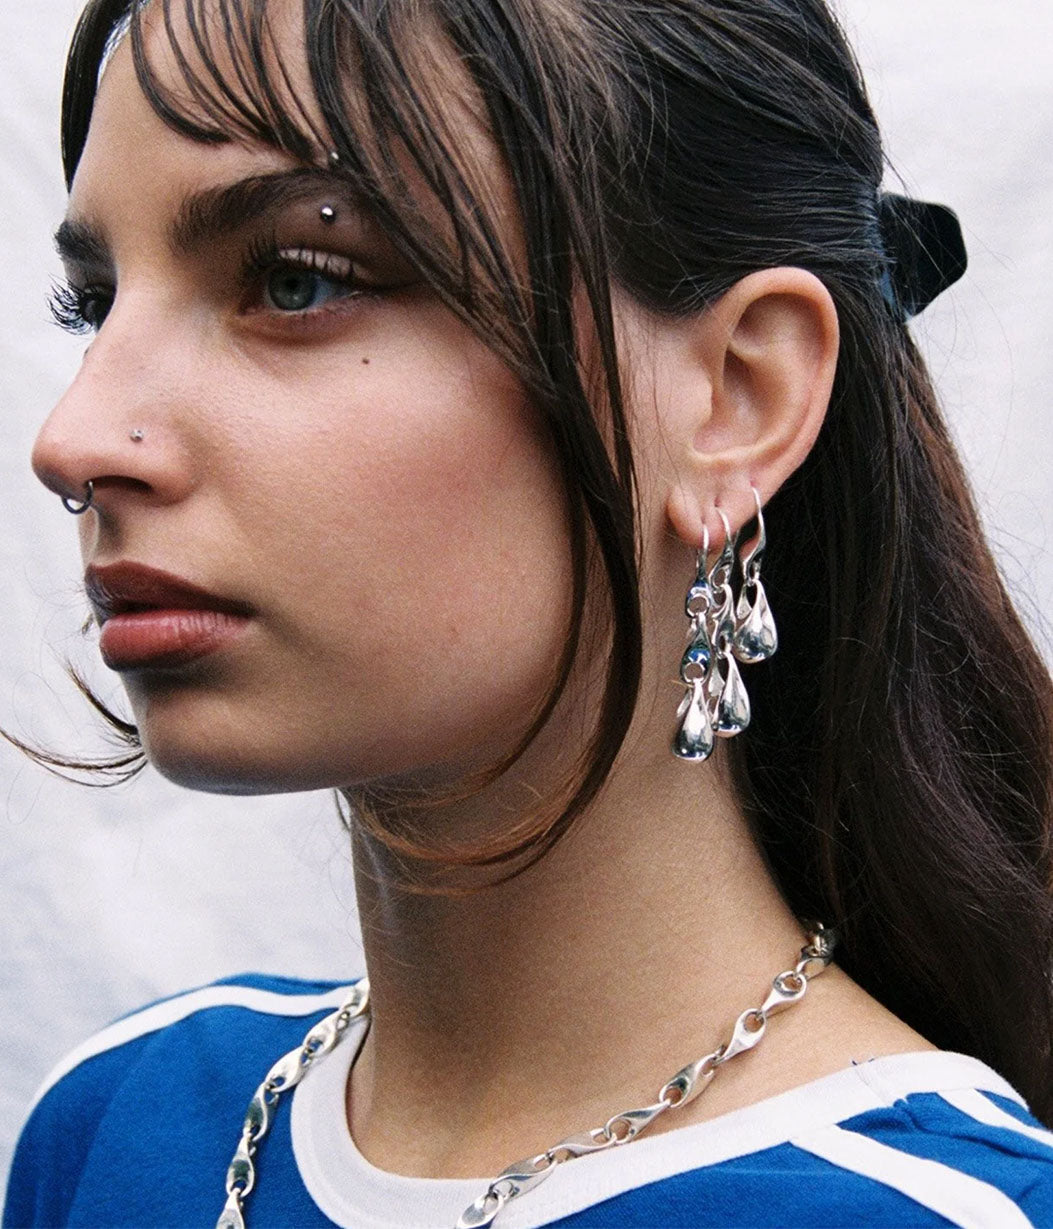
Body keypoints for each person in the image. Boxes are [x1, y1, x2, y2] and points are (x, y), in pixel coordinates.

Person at [5, 0, 1053, 1225]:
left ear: (735, 397)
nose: (74, 437)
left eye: (296, 280)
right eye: (97, 300)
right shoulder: (117, 1125)